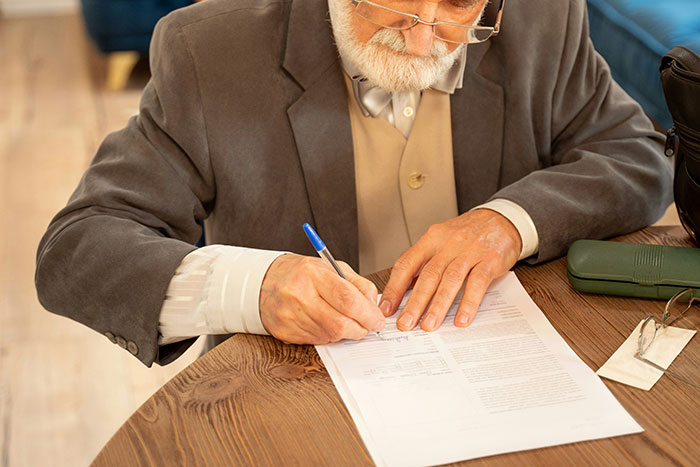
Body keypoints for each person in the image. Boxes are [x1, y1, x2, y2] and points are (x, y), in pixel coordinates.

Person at [35, 0, 673, 367]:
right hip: (293, 398)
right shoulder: (211, 50)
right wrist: (254, 287)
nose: (422, 40)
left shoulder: (543, 16)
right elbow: (77, 248)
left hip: (501, 371)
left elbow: (637, 155)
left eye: (458, 5)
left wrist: (508, 222)